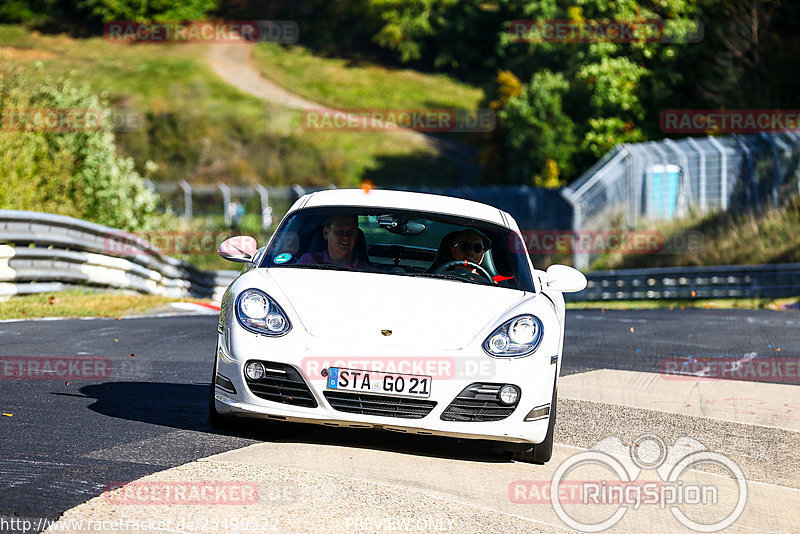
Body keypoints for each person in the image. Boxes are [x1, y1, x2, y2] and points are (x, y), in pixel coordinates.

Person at [297, 215, 372, 269]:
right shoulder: (308, 262)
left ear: (356, 235)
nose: (346, 236)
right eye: (339, 231)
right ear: (326, 233)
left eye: (351, 231)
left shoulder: (367, 271)